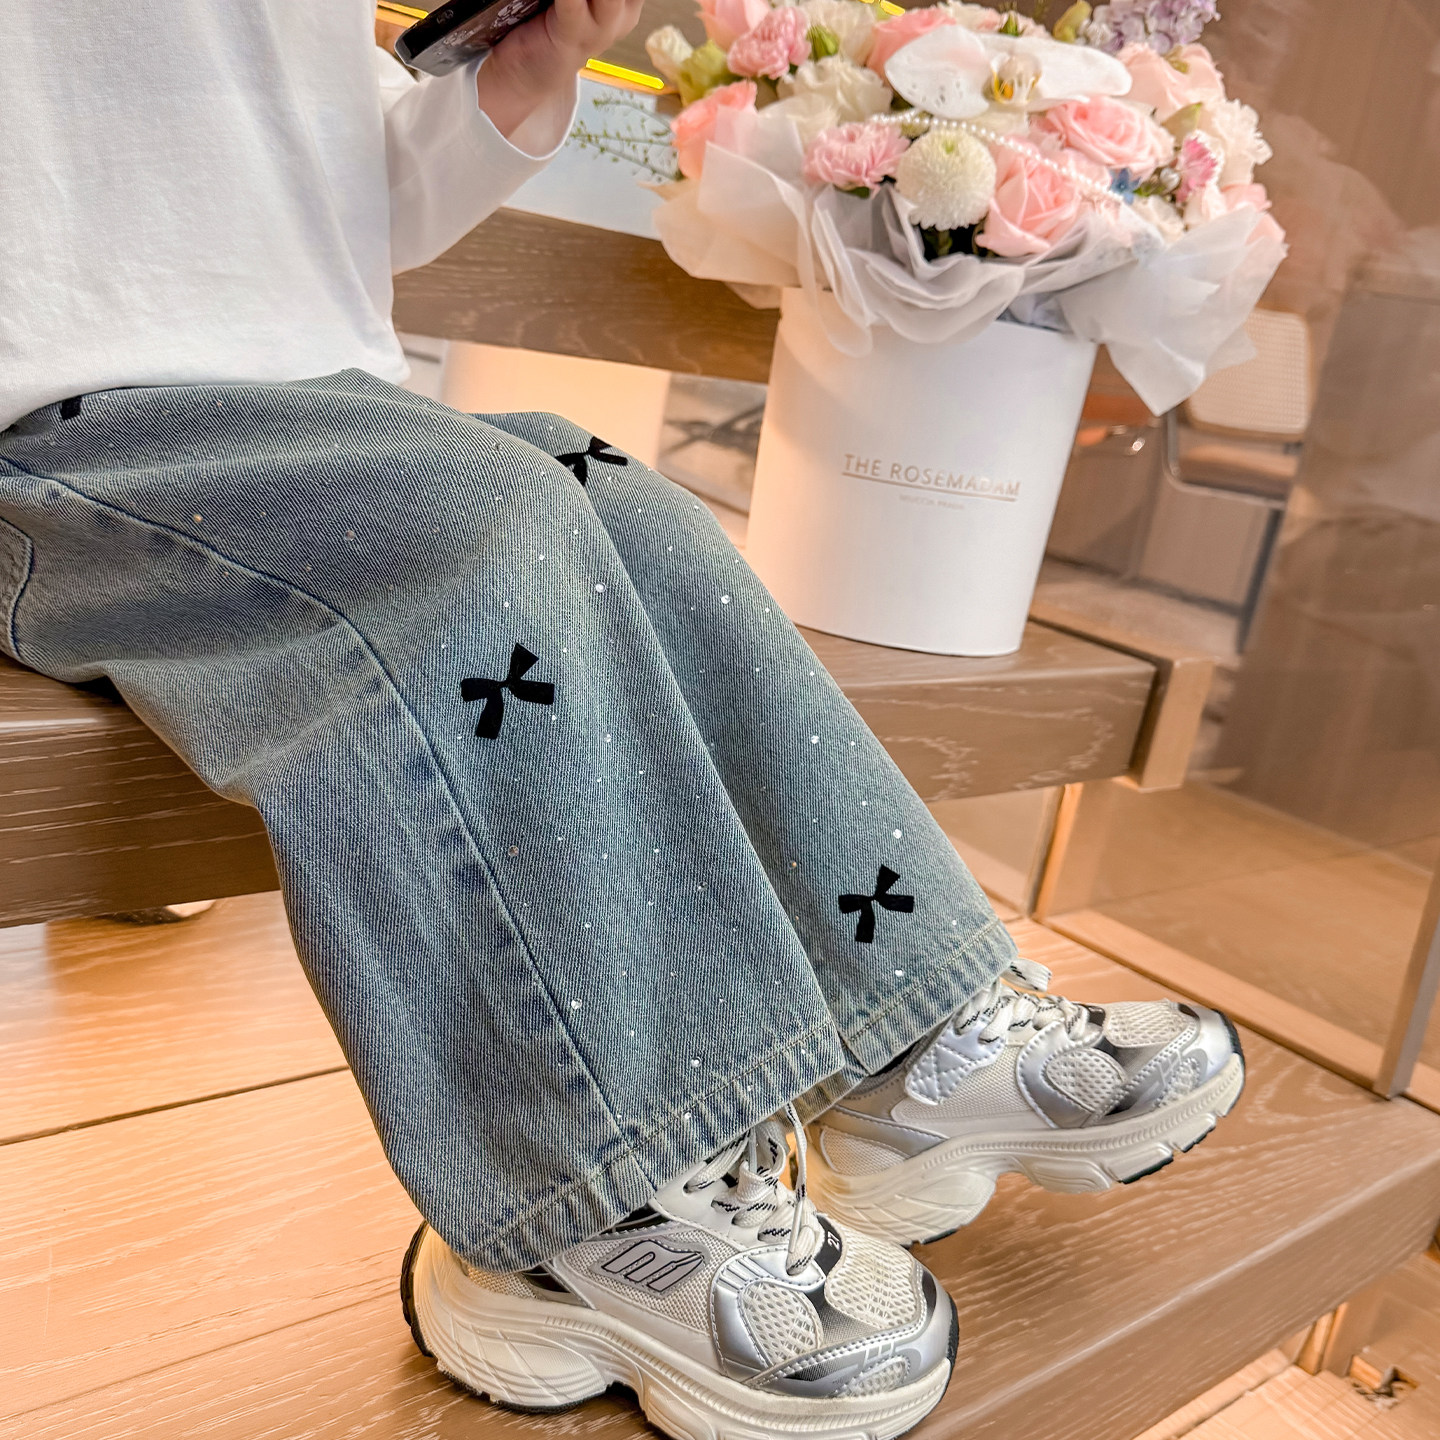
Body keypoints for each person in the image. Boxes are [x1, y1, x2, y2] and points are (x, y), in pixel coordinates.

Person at [0, 4, 1244, 1436]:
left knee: (629, 506)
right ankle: (585, 1205)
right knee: (495, 532)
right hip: (52, 432)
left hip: (307, 403)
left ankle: (898, 1039)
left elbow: (331, 194)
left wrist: (522, 73)